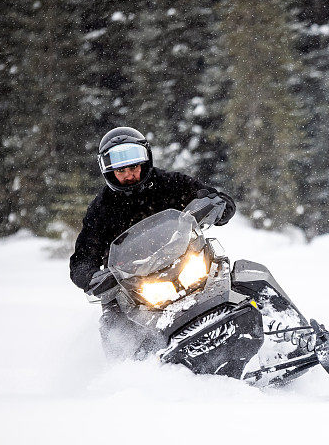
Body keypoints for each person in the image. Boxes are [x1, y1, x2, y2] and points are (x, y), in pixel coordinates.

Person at [69, 126, 236, 359]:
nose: (129, 176)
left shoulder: (170, 183)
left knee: (239, 273)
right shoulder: (100, 210)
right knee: (113, 322)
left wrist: (217, 204)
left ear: (144, 163)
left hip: (185, 261)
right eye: (120, 171)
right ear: (108, 172)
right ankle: (128, 376)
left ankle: (280, 324)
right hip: (135, 287)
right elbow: (82, 258)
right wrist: (91, 277)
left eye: (133, 168)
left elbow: (207, 195)